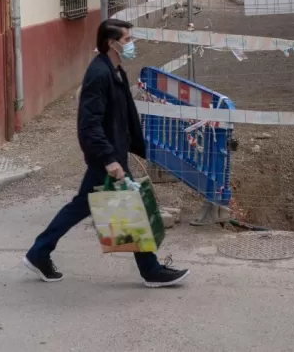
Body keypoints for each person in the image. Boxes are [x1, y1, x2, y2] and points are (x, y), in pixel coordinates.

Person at [23, 18, 190, 288]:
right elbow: (89, 124)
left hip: (113, 153)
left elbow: (122, 116)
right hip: (107, 157)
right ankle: (151, 270)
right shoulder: (99, 74)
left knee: (84, 206)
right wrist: (110, 159)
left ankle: (39, 252)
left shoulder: (116, 71)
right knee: (129, 208)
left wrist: (129, 148)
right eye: (127, 40)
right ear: (110, 43)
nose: (131, 44)